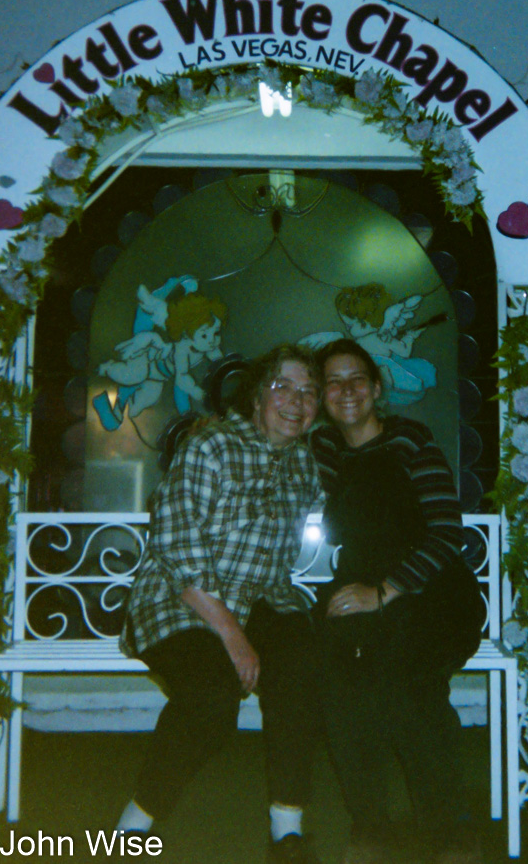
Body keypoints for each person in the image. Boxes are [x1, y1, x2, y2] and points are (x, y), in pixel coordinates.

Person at [117, 344, 324, 863]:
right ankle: (129, 829)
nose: (296, 402)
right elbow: (179, 550)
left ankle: (287, 830)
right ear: (256, 397)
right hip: (181, 600)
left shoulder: (304, 461)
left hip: (263, 600)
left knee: (305, 667)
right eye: (283, 387)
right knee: (211, 698)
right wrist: (234, 637)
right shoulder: (209, 444)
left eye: (308, 391)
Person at [310, 339, 485, 864]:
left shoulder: (410, 440)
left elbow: (446, 532)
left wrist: (385, 592)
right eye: (333, 382)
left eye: (356, 378)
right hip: (363, 594)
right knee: (337, 680)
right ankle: (371, 827)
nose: (346, 390)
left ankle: (450, 830)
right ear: (321, 396)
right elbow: (264, 435)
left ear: (377, 387)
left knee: (407, 684)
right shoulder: (322, 449)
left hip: (432, 593)